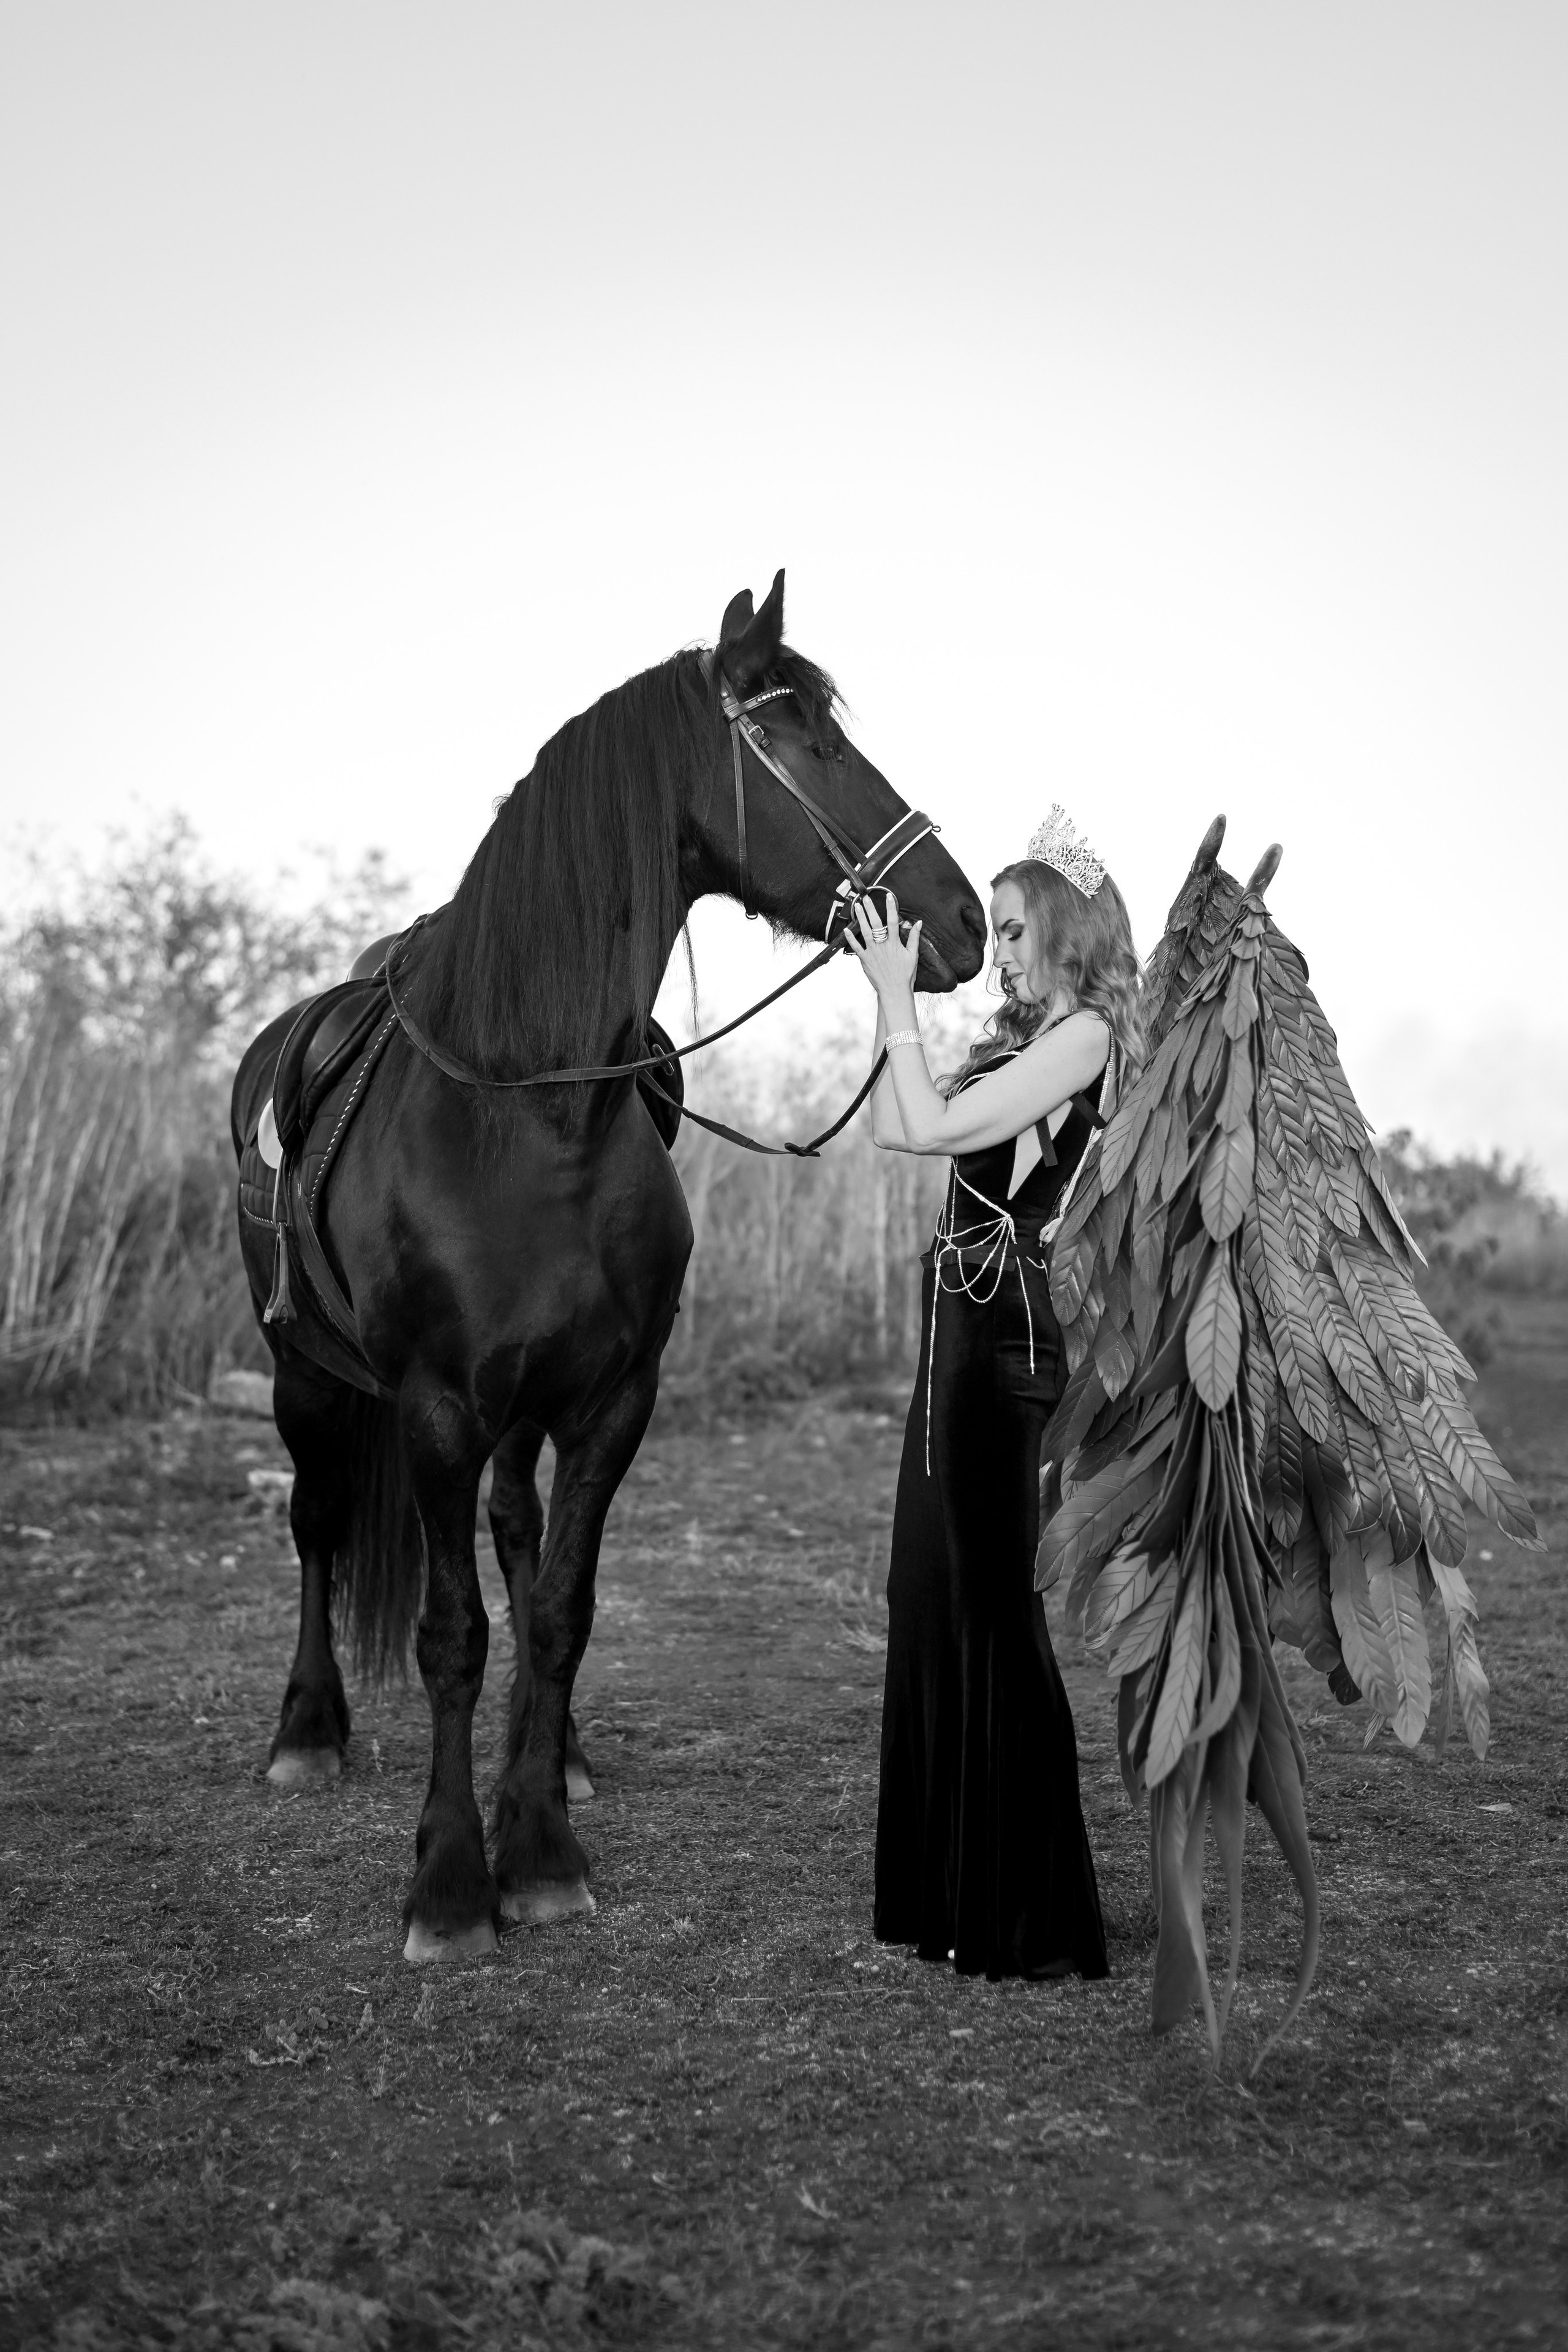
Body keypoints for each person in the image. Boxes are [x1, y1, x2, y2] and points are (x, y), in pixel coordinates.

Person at [845, 805, 1145, 1982]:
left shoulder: (1084, 1040)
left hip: (1006, 1345)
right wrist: (891, 1007)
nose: (999, 953)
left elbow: (925, 1127)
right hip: (954, 1337)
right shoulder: (1020, 1044)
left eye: (1014, 931)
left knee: (992, 1610)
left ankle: (1033, 1916)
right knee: (924, 1591)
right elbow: (894, 1124)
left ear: (1066, 931)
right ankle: (949, 1897)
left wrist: (897, 1001)